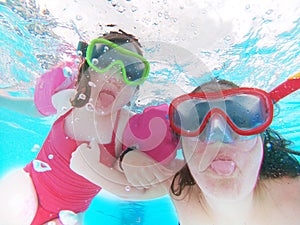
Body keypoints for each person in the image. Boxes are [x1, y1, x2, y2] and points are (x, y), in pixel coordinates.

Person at [70, 74, 300, 225]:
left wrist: (85, 164)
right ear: (182, 145)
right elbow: (131, 188)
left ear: (261, 139)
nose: (218, 138)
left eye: (239, 118)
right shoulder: (182, 184)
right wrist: (128, 157)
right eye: (197, 120)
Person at [0, 29, 151, 225]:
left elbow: (142, 181)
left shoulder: (128, 130)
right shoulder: (69, 101)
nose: (116, 76)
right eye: (105, 61)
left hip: (66, 218)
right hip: (23, 193)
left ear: (134, 92)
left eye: (131, 71)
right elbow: (33, 107)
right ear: (86, 71)